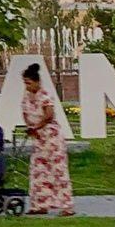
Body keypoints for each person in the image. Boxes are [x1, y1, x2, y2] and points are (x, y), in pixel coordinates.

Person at [20, 61, 75, 217]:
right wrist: (31, 128)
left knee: (58, 171)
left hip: (51, 138)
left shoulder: (44, 95)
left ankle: (67, 206)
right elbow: (26, 113)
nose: (27, 86)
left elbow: (49, 115)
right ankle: (40, 204)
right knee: (38, 171)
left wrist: (37, 127)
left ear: (37, 82)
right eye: (25, 83)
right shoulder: (26, 97)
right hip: (38, 139)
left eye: (29, 83)